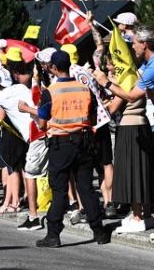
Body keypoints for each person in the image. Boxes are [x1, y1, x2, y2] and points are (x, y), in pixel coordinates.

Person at [35, 51, 109, 247]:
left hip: (61, 144)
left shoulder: (50, 91)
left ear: (53, 68)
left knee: (59, 190)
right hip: (83, 142)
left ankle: (53, 234)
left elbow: (42, 124)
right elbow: (93, 118)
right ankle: (99, 231)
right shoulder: (84, 88)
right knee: (86, 187)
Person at [96, 26, 154, 233]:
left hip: (130, 126)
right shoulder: (135, 74)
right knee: (142, 170)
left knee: (132, 172)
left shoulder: (125, 78)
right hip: (141, 125)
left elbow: (115, 106)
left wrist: (105, 84)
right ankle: (145, 214)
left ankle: (138, 215)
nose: (108, 66)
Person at [0, 47, 42, 231]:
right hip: (18, 133)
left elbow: (1, 115)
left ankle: (15, 203)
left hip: (14, 135)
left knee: (16, 170)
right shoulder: (21, 84)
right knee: (13, 169)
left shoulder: (10, 91)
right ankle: (11, 201)